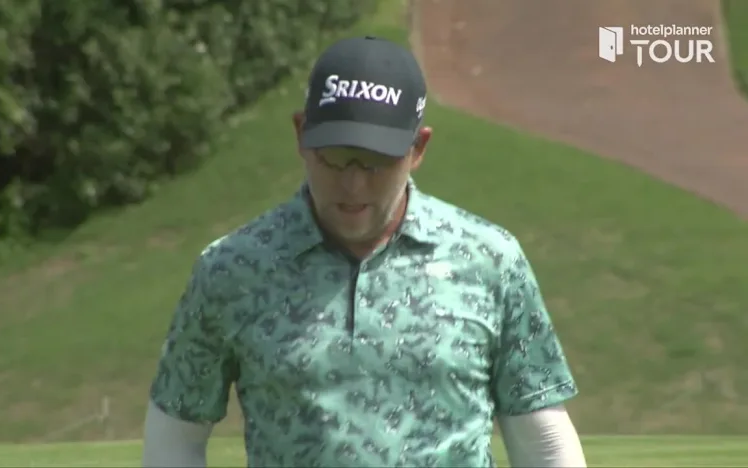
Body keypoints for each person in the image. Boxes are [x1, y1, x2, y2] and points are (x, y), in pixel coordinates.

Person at [142, 35, 587, 468]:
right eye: (335, 157)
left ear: (418, 148)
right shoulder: (232, 270)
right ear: (301, 134)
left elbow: (543, 442)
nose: (353, 184)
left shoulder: (489, 260)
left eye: (377, 161)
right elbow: (174, 439)